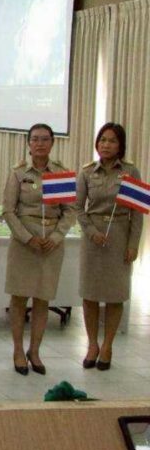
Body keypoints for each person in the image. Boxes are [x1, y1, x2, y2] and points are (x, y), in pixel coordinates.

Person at [3, 123, 77, 375]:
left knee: (42, 298)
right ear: (28, 143)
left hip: (50, 245)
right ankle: (17, 350)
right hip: (24, 244)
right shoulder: (18, 172)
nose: (40, 144)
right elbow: (8, 211)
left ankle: (34, 351)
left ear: (52, 142)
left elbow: (70, 211)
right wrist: (27, 238)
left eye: (45, 139)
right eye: (35, 139)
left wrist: (56, 237)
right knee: (19, 297)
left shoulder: (61, 173)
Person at [76, 123, 142, 371]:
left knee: (116, 294)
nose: (106, 145)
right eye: (102, 140)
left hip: (119, 236)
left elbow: (137, 212)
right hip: (93, 237)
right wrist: (91, 232)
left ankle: (107, 346)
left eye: (112, 141)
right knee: (90, 294)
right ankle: (92, 344)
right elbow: (77, 208)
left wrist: (133, 244)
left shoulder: (130, 171)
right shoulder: (87, 172)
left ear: (120, 145)